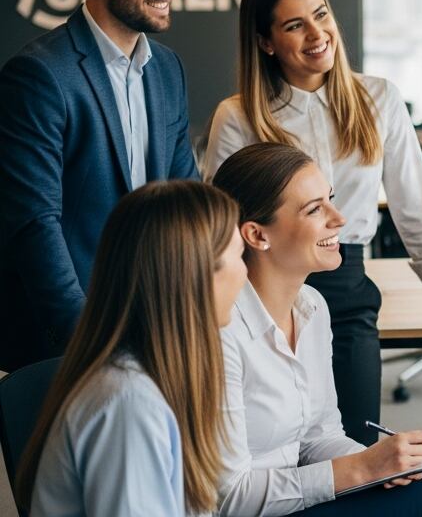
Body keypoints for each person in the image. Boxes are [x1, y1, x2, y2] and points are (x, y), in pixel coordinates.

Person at [203, 0, 422, 445]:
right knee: (272, 442)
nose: (316, 34)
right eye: (294, 25)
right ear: (266, 42)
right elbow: (217, 228)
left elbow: (415, 208)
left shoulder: (379, 98)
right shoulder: (239, 115)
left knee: (356, 445)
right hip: (263, 294)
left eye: (320, 15)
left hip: (347, 289)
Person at [212, 142, 422, 516]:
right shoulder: (221, 331)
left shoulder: (313, 307)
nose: (339, 218)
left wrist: (381, 462)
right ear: (257, 235)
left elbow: (318, 437)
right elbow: (230, 498)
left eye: (330, 199)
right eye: (314, 209)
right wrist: (361, 468)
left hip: (294, 502)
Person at [0, 0, 200, 370]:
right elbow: (36, 225)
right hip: (70, 345)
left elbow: (185, 201)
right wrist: (87, 341)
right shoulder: (40, 75)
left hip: (156, 326)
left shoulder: (167, 69)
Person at [14, 181, 248, 517]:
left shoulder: (151, 380)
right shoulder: (130, 405)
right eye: (239, 254)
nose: (246, 271)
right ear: (196, 276)